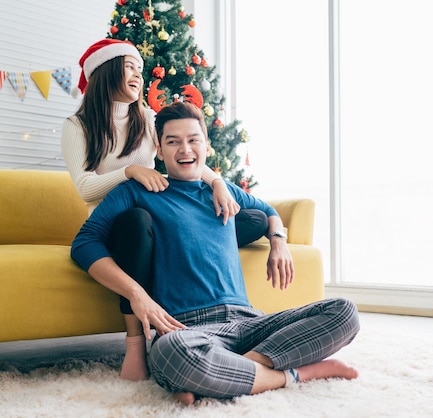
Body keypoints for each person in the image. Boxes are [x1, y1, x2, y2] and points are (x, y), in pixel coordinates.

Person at [70, 102, 360, 405]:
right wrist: (136, 294)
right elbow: (85, 242)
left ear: (206, 146)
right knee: (173, 354)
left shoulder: (224, 191)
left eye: (193, 139)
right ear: (159, 149)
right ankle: (299, 374)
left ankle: (221, 374)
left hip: (249, 323)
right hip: (187, 329)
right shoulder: (136, 191)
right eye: (173, 141)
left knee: (344, 312)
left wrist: (278, 241)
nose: (185, 149)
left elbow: (268, 211)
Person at [61, 39, 269, 382]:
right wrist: (129, 171)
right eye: (129, 67)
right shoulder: (77, 125)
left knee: (251, 219)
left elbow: (180, 149)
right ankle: (136, 344)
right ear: (105, 72)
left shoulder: (147, 116)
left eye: (140, 70)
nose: (138, 76)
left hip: (163, 219)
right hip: (120, 223)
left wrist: (217, 182)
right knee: (136, 221)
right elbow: (84, 187)